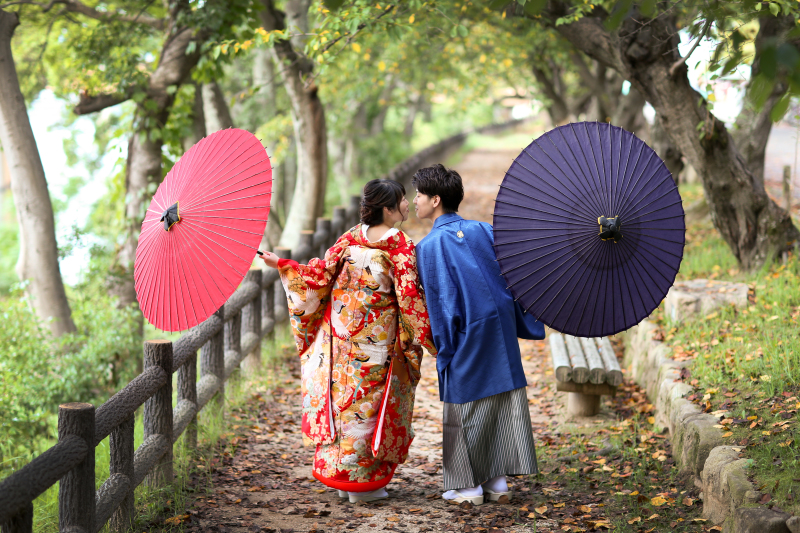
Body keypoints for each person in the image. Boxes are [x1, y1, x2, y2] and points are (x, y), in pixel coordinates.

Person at [259, 179, 436, 503]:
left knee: (345, 405)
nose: (408, 204)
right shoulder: (399, 244)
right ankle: (364, 483)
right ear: (387, 208)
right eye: (401, 200)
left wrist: (285, 266)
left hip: (339, 340)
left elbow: (317, 276)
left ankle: (340, 477)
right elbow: (409, 298)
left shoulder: (350, 238)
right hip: (376, 343)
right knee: (369, 408)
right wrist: (428, 338)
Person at [412, 164, 545, 506]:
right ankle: (497, 482)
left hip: (466, 324)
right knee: (499, 396)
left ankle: (469, 487)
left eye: (420, 195)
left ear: (436, 200)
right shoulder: (484, 230)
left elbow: (442, 301)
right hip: (498, 323)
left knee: (464, 400)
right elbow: (511, 274)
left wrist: (444, 348)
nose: (415, 201)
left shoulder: (429, 246)